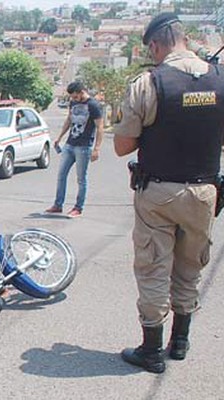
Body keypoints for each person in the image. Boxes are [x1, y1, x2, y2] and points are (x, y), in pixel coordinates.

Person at [113, 12, 224, 374]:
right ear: (186, 38)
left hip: (158, 192)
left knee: (153, 268)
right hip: (204, 192)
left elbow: (123, 146)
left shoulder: (149, 82)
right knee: (190, 266)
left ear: (155, 45)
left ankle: (151, 351)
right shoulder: (220, 78)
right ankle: (180, 341)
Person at [45, 81, 104, 218]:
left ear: (82, 91)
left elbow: (100, 127)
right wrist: (59, 137)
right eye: (72, 97)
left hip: (84, 147)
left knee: (81, 179)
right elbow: (69, 120)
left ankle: (78, 207)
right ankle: (58, 205)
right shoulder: (73, 103)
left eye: (75, 97)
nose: (73, 99)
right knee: (61, 175)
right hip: (70, 144)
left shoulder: (93, 105)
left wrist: (97, 149)